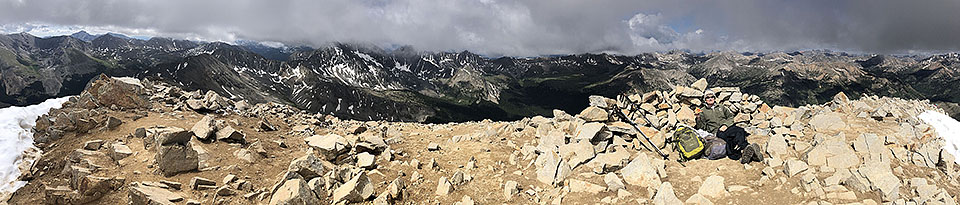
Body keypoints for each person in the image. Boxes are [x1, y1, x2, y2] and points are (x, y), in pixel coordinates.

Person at [695, 89, 763, 164]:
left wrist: (725, 125)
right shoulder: (703, 111)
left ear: (714, 98)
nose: (710, 99)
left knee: (739, 130)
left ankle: (744, 151)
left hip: (727, 127)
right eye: (708, 97)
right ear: (705, 99)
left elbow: (730, 117)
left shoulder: (721, 107)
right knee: (731, 139)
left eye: (712, 97)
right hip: (717, 131)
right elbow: (701, 128)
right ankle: (748, 149)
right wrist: (698, 118)